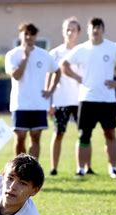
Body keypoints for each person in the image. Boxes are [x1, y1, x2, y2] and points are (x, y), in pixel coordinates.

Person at [61, 17, 116, 178]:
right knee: (84, 135)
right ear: (88, 30)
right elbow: (64, 65)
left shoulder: (113, 47)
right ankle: (80, 169)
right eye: (92, 28)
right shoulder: (82, 49)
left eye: (98, 27)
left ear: (103, 29)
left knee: (110, 133)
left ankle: (113, 168)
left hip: (107, 99)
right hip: (87, 98)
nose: (95, 30)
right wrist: (77, 77)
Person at [5, 22, 61, 158]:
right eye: (26, 34)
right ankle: (19, 168)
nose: (29, 37)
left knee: (36, 138)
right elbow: (16, 76)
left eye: (32, 34)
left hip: (38, 103)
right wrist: (25, 57)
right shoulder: (12, 55)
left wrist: (50, 90)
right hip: (20, 104)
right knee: (20, 137)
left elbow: (57, 71)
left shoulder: (44, 55)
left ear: (36, 36)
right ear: (20, 35)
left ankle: (32, 169)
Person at [48, 17, 94, 176]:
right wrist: (49, 102)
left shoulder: (85, 51)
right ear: (63, 31)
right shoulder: (55, 53)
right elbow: (48, 78)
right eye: (67, 29)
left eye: (73, 29)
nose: (70, 32)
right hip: (61, 99)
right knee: (59, 133)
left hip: (82, 99)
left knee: (84, 133)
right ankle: (54, 168)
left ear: (79, 32)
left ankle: (86, 167)